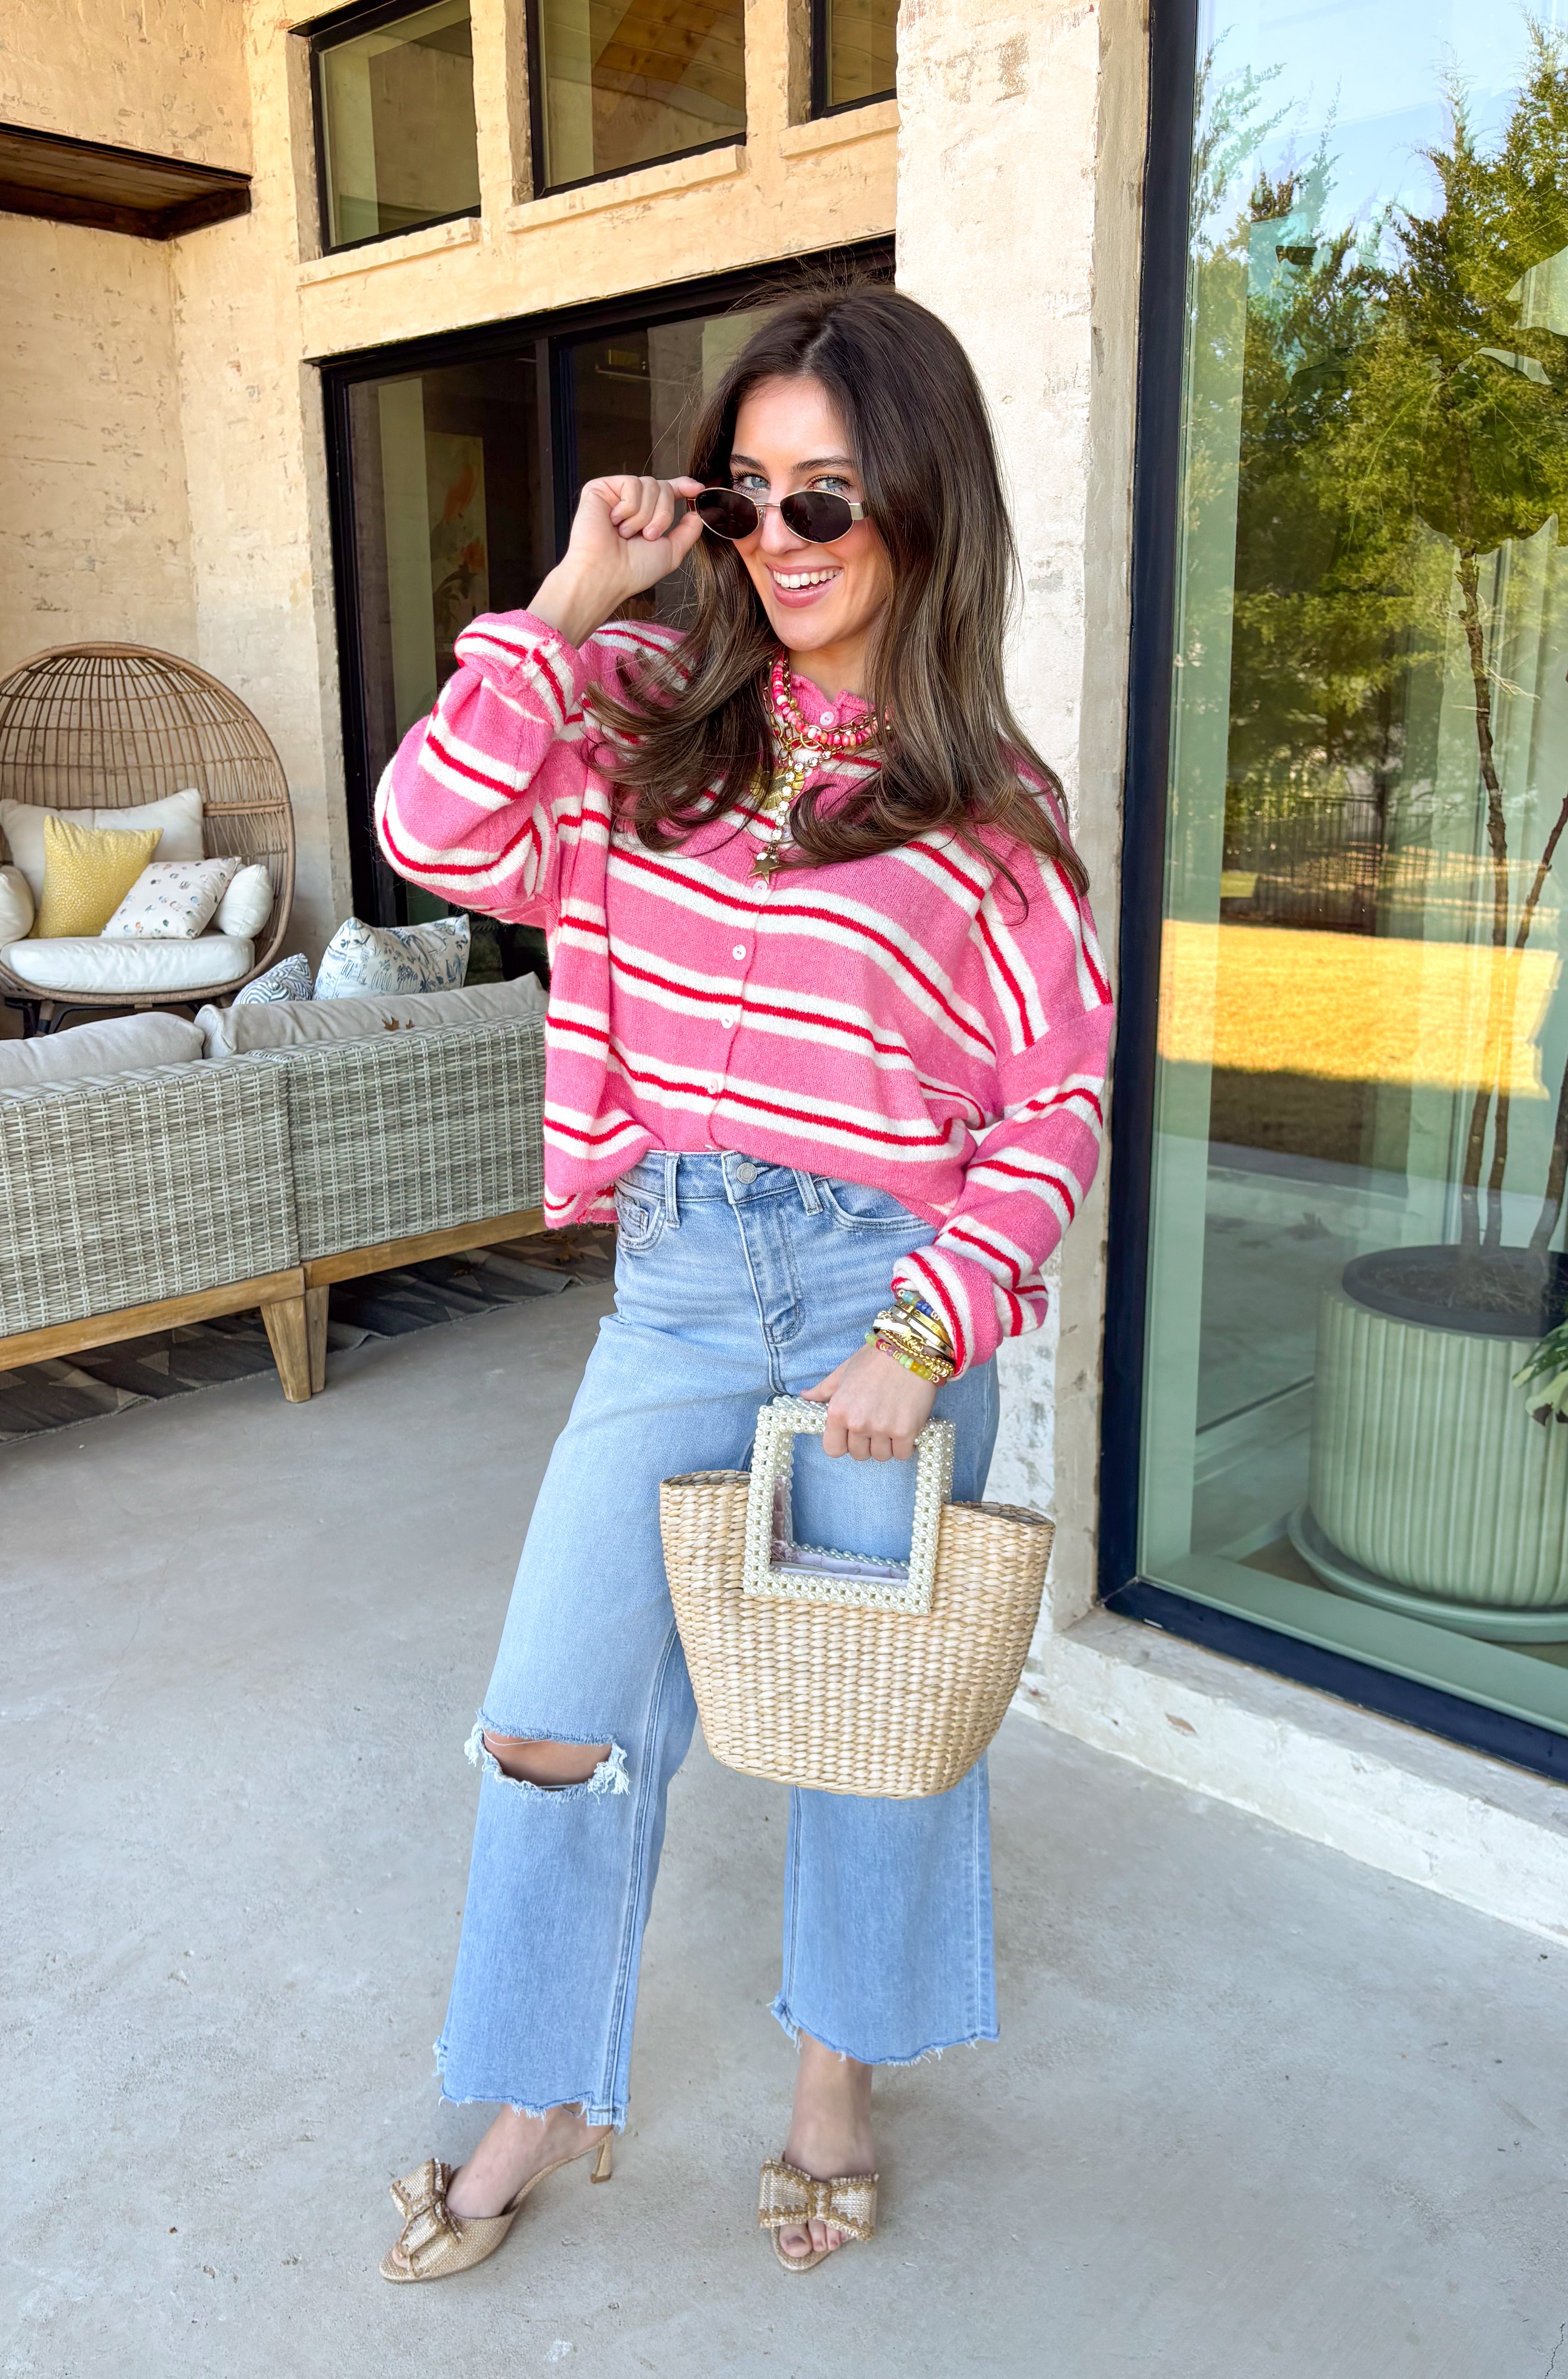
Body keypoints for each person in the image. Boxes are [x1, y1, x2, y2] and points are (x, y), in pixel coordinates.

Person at [374, 281, 1112, 2283]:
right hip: (683, 1283)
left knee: (867, 1727)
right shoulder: (632, 719)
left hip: (880, 1295)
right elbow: (428, 833)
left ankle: (835, 2089)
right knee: (549, 1712)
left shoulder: (990, 821)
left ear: (925, 517)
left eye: (831, 504)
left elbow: (1055, 1107)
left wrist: (920, 1335)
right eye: (752, 497)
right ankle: (543, 2087)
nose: (782, 546)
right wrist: (569, 584)